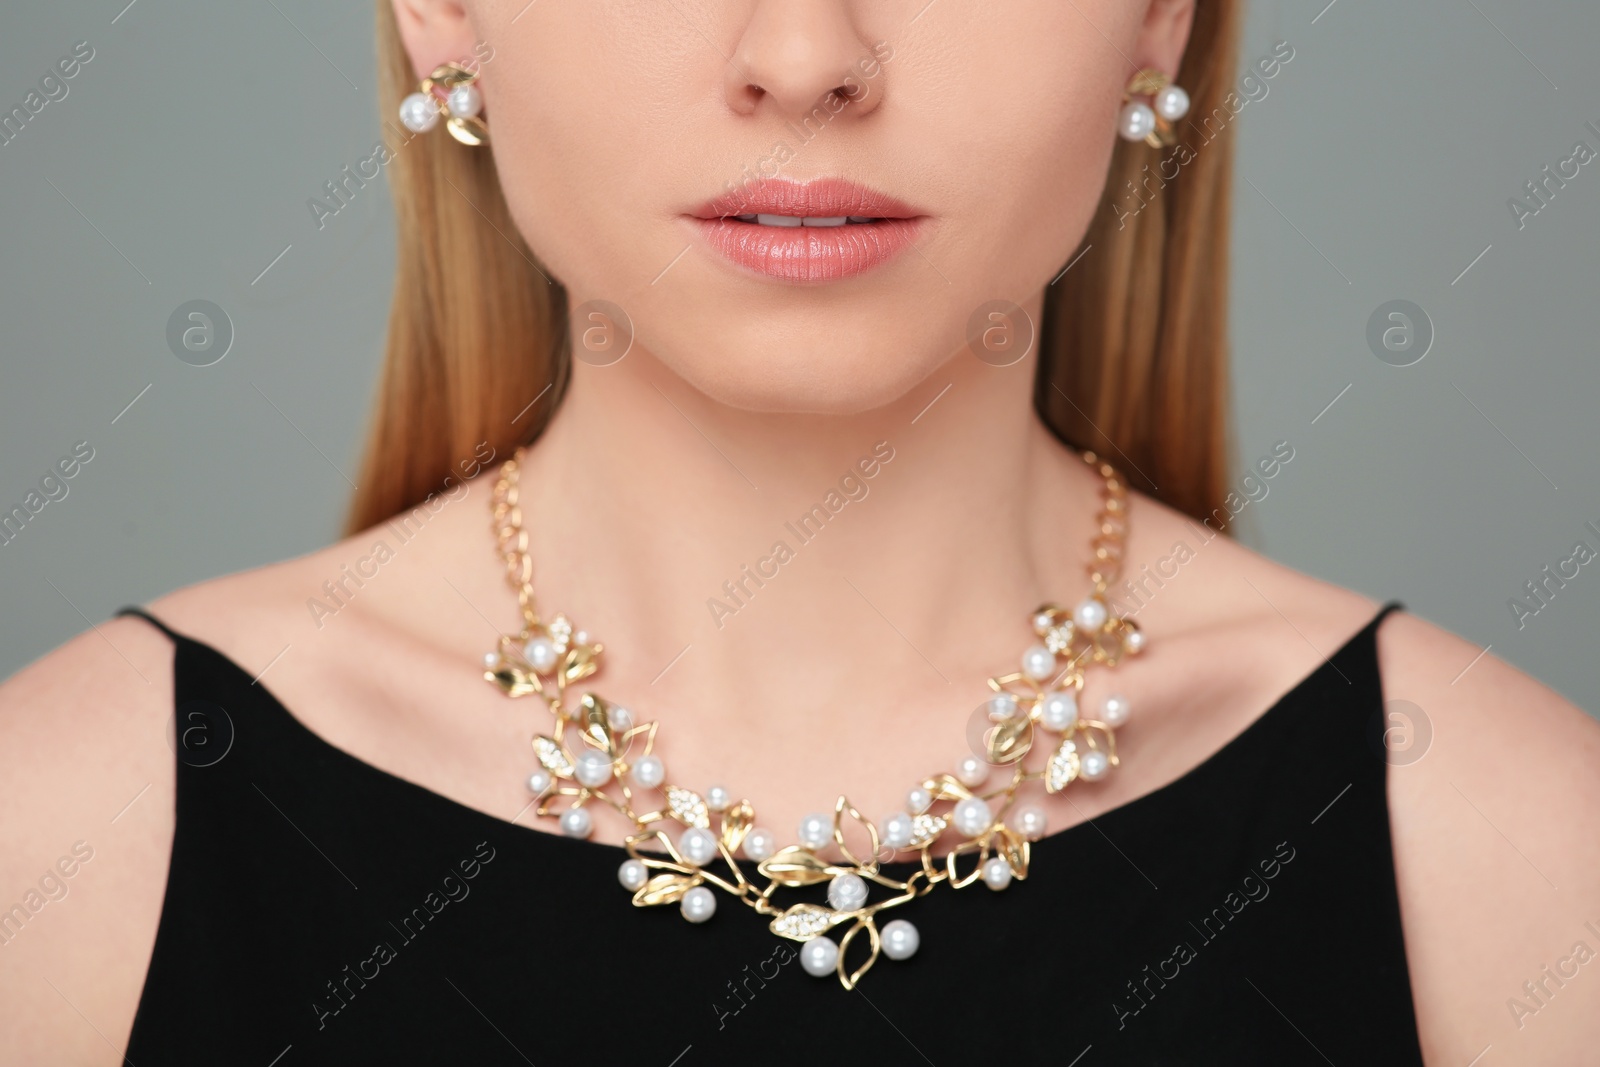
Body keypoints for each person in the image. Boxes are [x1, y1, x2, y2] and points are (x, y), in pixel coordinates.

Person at [2, 0, 1596, 1063]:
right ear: (440, 5)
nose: (807, 54)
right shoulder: (71, 844)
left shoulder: (1512, 859)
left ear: (1162, 13)